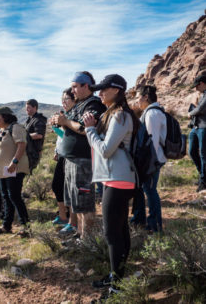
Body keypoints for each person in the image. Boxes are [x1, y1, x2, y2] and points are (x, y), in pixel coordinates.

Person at [83, 74, 138, 297]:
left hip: (118, 178)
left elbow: (106, 150)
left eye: (104, 89)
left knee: (112, 234)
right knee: (121, 230)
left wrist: (90, 130)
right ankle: (117, 277)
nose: (100, 93)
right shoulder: (116, 115)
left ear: (116, 90)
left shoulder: (120, 116)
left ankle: (116, 288)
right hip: (117, 178)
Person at [52, 71, 106, 239]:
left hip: (83, 161)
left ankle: (88, 240)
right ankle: (80, 234)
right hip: (71, 160)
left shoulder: (94, 105)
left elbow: (85, 129)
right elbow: (70, 124)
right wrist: (60, 121)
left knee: (84, 203)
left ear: (86, 86)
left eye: (75, 86)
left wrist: (65, 122)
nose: (72, 90)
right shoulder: (79, 105)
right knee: (76, 203)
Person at [0, 107, 30, 237]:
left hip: (14, 168)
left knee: (14, 196)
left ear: (5, 116)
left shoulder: (15, 128)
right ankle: (6, 225)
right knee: (6, 197)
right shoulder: (0, 131)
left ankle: (26, 227)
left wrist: (14, 162)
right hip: (3, 170)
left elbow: (21, 145)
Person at [135, 85, 166, 232]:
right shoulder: (152, 112)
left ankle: (155, 225)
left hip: (152, 160)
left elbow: (151, 142)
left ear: (145, 97)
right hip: (151, 159)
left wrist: (146, 162)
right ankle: (145, 221)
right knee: (146, 189)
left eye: (138, 97)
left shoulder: (152, 113)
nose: (137, 101)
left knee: (151, 191)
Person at [50, 87, 77, 228]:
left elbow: (70, 137)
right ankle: (63, 216)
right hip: (62, 154)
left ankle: (72, 221)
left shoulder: (73, 117)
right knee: (57, 185)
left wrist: (59, 128)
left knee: (68, 189)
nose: (63, 102)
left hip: (71, 156)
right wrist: (56, 150)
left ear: (74, 99)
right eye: (62, 100)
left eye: (66, 99)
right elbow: (62, 138)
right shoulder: (65, 115)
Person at [188, 74, 206, 192]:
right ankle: (202, 175)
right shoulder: (203, 94)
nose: (196, 88)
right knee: (192, 151)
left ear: (203, 83)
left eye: (197, 85)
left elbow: (200, 109)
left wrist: (190, 113)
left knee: (204, 154)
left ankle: (203, 181)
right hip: (196, 127)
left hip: (204, 127)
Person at [25, 99, 47, 165]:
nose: (26, 110)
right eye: (26, 108)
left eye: (28, 108)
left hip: (34, 153)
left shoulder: (39, 120)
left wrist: (24, 136)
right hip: (28, 151)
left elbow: (39, 135)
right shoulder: (29, 119)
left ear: (34, 108)